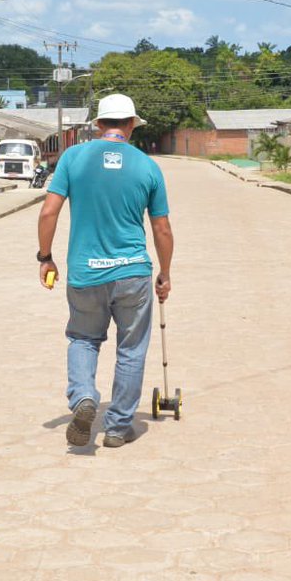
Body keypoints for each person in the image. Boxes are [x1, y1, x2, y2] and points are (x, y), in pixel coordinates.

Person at [36, 93, 174, 448]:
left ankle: (83, 396)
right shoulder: (147, 166)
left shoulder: (72, 158)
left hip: (86, 273)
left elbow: (48, 212)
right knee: (131, 349)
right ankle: (117, 428)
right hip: (132, 274)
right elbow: (162, 229)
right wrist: (165, 273)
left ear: (98, 125)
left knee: (83, 339)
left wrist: (45, 257)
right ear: (131, 125)